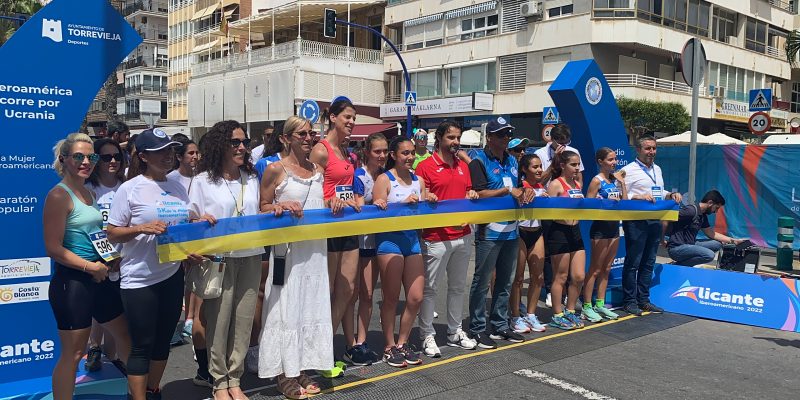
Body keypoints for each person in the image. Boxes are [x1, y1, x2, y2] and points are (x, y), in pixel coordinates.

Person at [108, 129, 207, 400]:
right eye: (161, 151)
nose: (168, 156)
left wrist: (198, 227)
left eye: (171, 150)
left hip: (172, 275)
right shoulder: (130, 188)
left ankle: (152, 391)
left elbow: (182, 227)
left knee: (163, 342)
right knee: (142, 345)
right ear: (143, 156)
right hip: (139, 279)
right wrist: (142, 228)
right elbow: (112, 232)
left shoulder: (177, 186)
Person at [44, 133, 131, 399]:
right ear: (64, 159)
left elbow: (95, 236)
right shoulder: (59, 195)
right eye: (78, 156)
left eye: (90, 157)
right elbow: (54, 248)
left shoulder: (88, 192)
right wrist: (89, 267)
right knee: (74, 354)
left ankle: (140, 393)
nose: (86, 162)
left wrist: (109, 259)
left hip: (99, 277)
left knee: (126, 339)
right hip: (73, 283)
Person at [189, 121, 264, 400]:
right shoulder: (202, 181)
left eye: (244, 142)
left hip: (251, 255)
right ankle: (219, 382)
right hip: (218, 259)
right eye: (235, 142)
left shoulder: (252, 178)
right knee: (219, 321)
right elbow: (191, 219)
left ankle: (235, 379)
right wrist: (199, 221)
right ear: (220, 145)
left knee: (243, 322)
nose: (242, 147)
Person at [258, 116, 331, 399]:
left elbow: (321, 205)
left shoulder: (319, 170)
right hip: (286, 253)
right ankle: (283, 372)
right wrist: (278, 205)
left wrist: (336, 202)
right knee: (284, 308)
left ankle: (299, 365)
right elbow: (261, 207)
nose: (307, 138)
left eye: (310, 133)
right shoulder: (275, 170)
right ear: (285, 138)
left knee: (308, 306)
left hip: (314, 251)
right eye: (301, 134)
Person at [467, 116, 532, 349]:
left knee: (506, 281)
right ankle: (476, 329)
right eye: (502, 134)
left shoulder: (513, 161)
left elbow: (519, 187)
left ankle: (500, 324)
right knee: (482, 282)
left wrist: (526, 191)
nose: (507, 138)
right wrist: (507, 190)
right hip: (489, 232)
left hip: (511, 231)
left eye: (508, 134)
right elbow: (478, 194)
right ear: (490, 137)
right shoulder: (479, 160)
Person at [415, 121, 479, 358]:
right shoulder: (425, 167)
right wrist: (426, 196)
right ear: (439, 138)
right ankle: (426, 334)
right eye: (451, 137)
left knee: (457, 287)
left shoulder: (463, 165)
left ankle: (454, 332)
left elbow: (468, 192)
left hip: (463, 235)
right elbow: (420, 196)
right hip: (436, 237)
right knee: (430, 288)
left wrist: (471, 193)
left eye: (457, 137)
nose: (455, 142)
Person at [309, 96, 362, 377]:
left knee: (348, 289)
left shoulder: (346, 151)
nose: (352, 122)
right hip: (329, 228)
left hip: (348, 226)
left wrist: (354, 199)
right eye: (347, 117)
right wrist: (330, 202)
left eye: (354, 118)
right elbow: (313, 191)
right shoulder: (322, 150)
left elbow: (347, 188)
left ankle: (325, 347)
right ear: (333, 118)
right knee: (326, 291)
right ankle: (317, 351)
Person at [372, 136, 435, 367]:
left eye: (411, 153)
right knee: (391, 298)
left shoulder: (418, 180)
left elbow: (425, 207)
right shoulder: (384, 179)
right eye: (404, 153)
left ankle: (402, 342)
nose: (409, 157)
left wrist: (430, 200)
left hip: (412, 241)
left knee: (416, 297)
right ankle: (389, 346)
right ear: (393, 156)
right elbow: (377, 211)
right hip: (390, 242)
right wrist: (400, 205)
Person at [621, 135, 682, 316]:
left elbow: (658, 191)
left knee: (648, 263)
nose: (652, 152)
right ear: (638, 150)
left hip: (654, 220)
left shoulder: (657, 169)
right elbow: (618, 195)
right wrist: (635, 197)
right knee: (634, 262)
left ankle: (644, 300)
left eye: (654, 148)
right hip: (636, 222)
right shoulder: (627, 170)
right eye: (648, 148)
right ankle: (629, 302)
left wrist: (670, 194)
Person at [83, 138, 128, 372]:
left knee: (117, 311)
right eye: (106, 157)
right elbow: (91, 228)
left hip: (126, 259)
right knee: (101, 310)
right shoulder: (89, 189)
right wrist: (109, 257)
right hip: (99, 258)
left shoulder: (126, 186)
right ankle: (94, 347)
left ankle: (112, 357)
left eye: (117, 157)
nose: (112, 161)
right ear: (96, 161)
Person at [349, 133, 388, 365]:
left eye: (384, 151)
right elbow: (358, 207)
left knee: (369, 295)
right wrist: (375, 203)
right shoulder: (359, 176)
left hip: (382, 241)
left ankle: (362, 340)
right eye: (377, 151)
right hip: (361, 242)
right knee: (352, 294)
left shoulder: (387, 175)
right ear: (367, 152)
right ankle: (350, 342)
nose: (382, 155)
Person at [582, 148, 627, 323]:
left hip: (614, 228)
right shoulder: (596, 181)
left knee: (607, 269)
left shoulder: (615, 180)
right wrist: (606, 203)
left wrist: (622, 183)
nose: (614, 162)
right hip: (599, 229)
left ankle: (600, 304)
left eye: (615, 159)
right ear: (600, 162)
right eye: (610, 160)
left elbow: (625, 203)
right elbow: (588, 206)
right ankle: (587, 306)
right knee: (595, 269)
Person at [546, 151, 587, 330]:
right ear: (563, 165)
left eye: (578, 164)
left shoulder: (577, 184)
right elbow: (547, 213)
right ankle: (557, 314)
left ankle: (570, 311)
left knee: (578, 276)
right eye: (573, 165)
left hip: (575, 231)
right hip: (559, 232)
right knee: (560, 277)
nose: (577, 168)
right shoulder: (555, 184)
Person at [509, 154, 548, 334]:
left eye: (540, 166)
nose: (539, 170)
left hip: (537, 232)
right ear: (524, 170)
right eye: (535, 167)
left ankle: (531, 314)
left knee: (537, 277)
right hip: (520, 233)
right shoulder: (520, 186)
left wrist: (547, 199)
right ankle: (515, 316)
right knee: (517, 279)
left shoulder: (542, 187)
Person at [667, 190, 743, 266]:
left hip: (690, 245)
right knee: (709, 255)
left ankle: (683, 262)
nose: (716, 211)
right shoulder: (691, 211)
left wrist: (733, 241)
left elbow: (710, 233)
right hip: (677, 248)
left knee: (717, 244)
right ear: (710, 203)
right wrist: (662, 240)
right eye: (716, 208)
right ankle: (677, 265)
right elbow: (666, 217)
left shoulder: (702, 216)